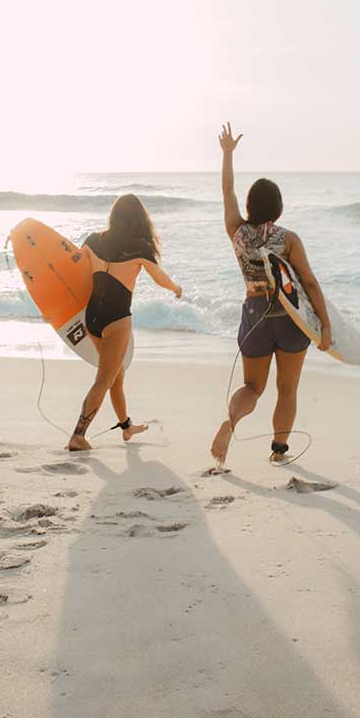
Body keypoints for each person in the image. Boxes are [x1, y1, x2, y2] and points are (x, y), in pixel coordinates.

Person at [210, 123, 331, 465]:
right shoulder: (288, 238)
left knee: (252, 387)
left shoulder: (237, 231)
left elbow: (227, 192)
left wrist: (228, 154)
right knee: (287, 389)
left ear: (249, 206)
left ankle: (231, 422)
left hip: (254, 315)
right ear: (278, 207)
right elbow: (308, 283)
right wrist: (326, 325)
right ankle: (279, 451)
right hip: (290, 319)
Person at [67, 194, 182, 451]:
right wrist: (176, 288)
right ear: (140, 219)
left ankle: (126, 427)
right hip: (116, 320)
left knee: (116, 375)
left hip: (92, 318)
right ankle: (78, 435)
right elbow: (159, 277)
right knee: (103, 380)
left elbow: (71, 264)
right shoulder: (139, 247)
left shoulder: (93, 240)